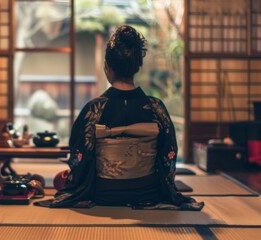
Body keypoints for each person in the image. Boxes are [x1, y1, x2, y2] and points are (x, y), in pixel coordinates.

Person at [35, 25, 203, 210]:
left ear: (107, 67)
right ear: (137, 68)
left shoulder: (94, 109)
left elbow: (79, 154)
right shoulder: (156, 108)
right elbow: (169, 153)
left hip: (103, 194)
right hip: (147, 191)